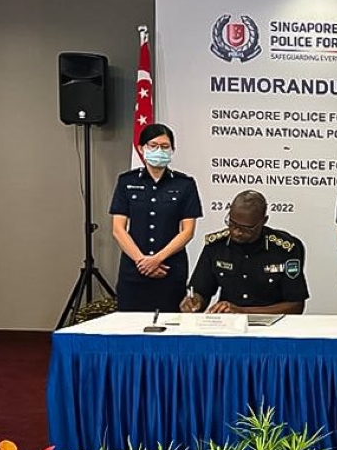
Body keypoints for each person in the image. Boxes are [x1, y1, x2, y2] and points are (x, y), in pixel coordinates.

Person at [110, 124, 202, 312]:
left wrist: (157, 259)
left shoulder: (185, 184)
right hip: (134, 270)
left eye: (165, 146)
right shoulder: (127, 181)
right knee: (130, 323)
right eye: (153, 145)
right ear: (142, 148)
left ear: (172, 150)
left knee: (171, 324)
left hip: (170, 269)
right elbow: (118, 229)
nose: (159, 150)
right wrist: (142, 262)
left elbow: (187, 231)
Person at [181, 190, 308, 315]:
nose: (237, 232)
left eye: (246, 228)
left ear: (263, 221)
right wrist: (194, 302)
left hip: (274, 324)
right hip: (228, 323)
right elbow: (201, 291)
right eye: (232, 224)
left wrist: (243, 312)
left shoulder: (285, 249)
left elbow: (296, 306)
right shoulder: (216, 246)